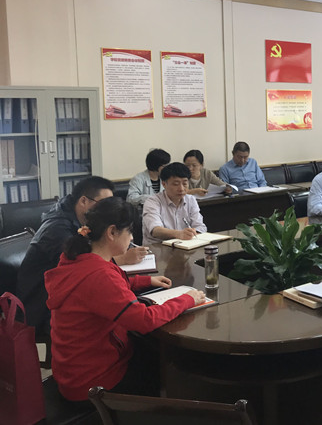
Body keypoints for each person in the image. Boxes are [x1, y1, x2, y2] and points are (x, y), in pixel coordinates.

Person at [45, 196, 205, 402]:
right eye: (129, 232)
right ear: (112, 232)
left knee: (149, 348)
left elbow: (103, 290)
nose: (131, 238)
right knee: (169, 366)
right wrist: (187, 299)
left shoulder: (77, 258)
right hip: (94, 384)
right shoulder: (100, 275)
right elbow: (144, 320)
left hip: (73, 372)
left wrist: (145, 280)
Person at [17, 176, 147, 334]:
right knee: (124, 322)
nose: (108, 209)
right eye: (103, 203)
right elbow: (79, 268)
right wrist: (122, 258)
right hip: (42, 306)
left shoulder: (80, 219)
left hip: (64, 296)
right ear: (84, 201)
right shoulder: (57, 229)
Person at [142, 162, 207, 245]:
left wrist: (194, 232)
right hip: (158, 248)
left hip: (185, 246)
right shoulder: (152, 202)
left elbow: (200, 226)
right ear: (164, 184)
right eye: (176, 184)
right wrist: (179, 234)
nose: (181, 188)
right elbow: (155, 230)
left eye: (185, 183)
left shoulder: (190, 200)